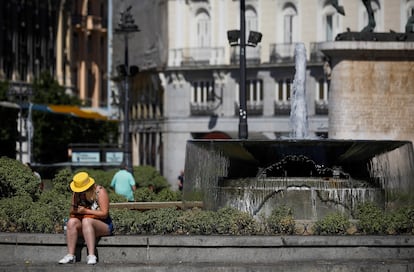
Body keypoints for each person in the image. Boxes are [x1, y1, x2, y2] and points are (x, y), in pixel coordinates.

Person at [58, 172, 114, 265]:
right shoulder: (77, 193)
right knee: (71, 222)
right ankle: (70, 255)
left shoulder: (99, 191)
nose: (80, 192)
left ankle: (91, 255)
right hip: (84, 224)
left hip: (104, 224)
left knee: (86, 220)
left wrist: (86, 211)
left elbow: (104, 214)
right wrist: (76, 211)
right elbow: (72, 209)